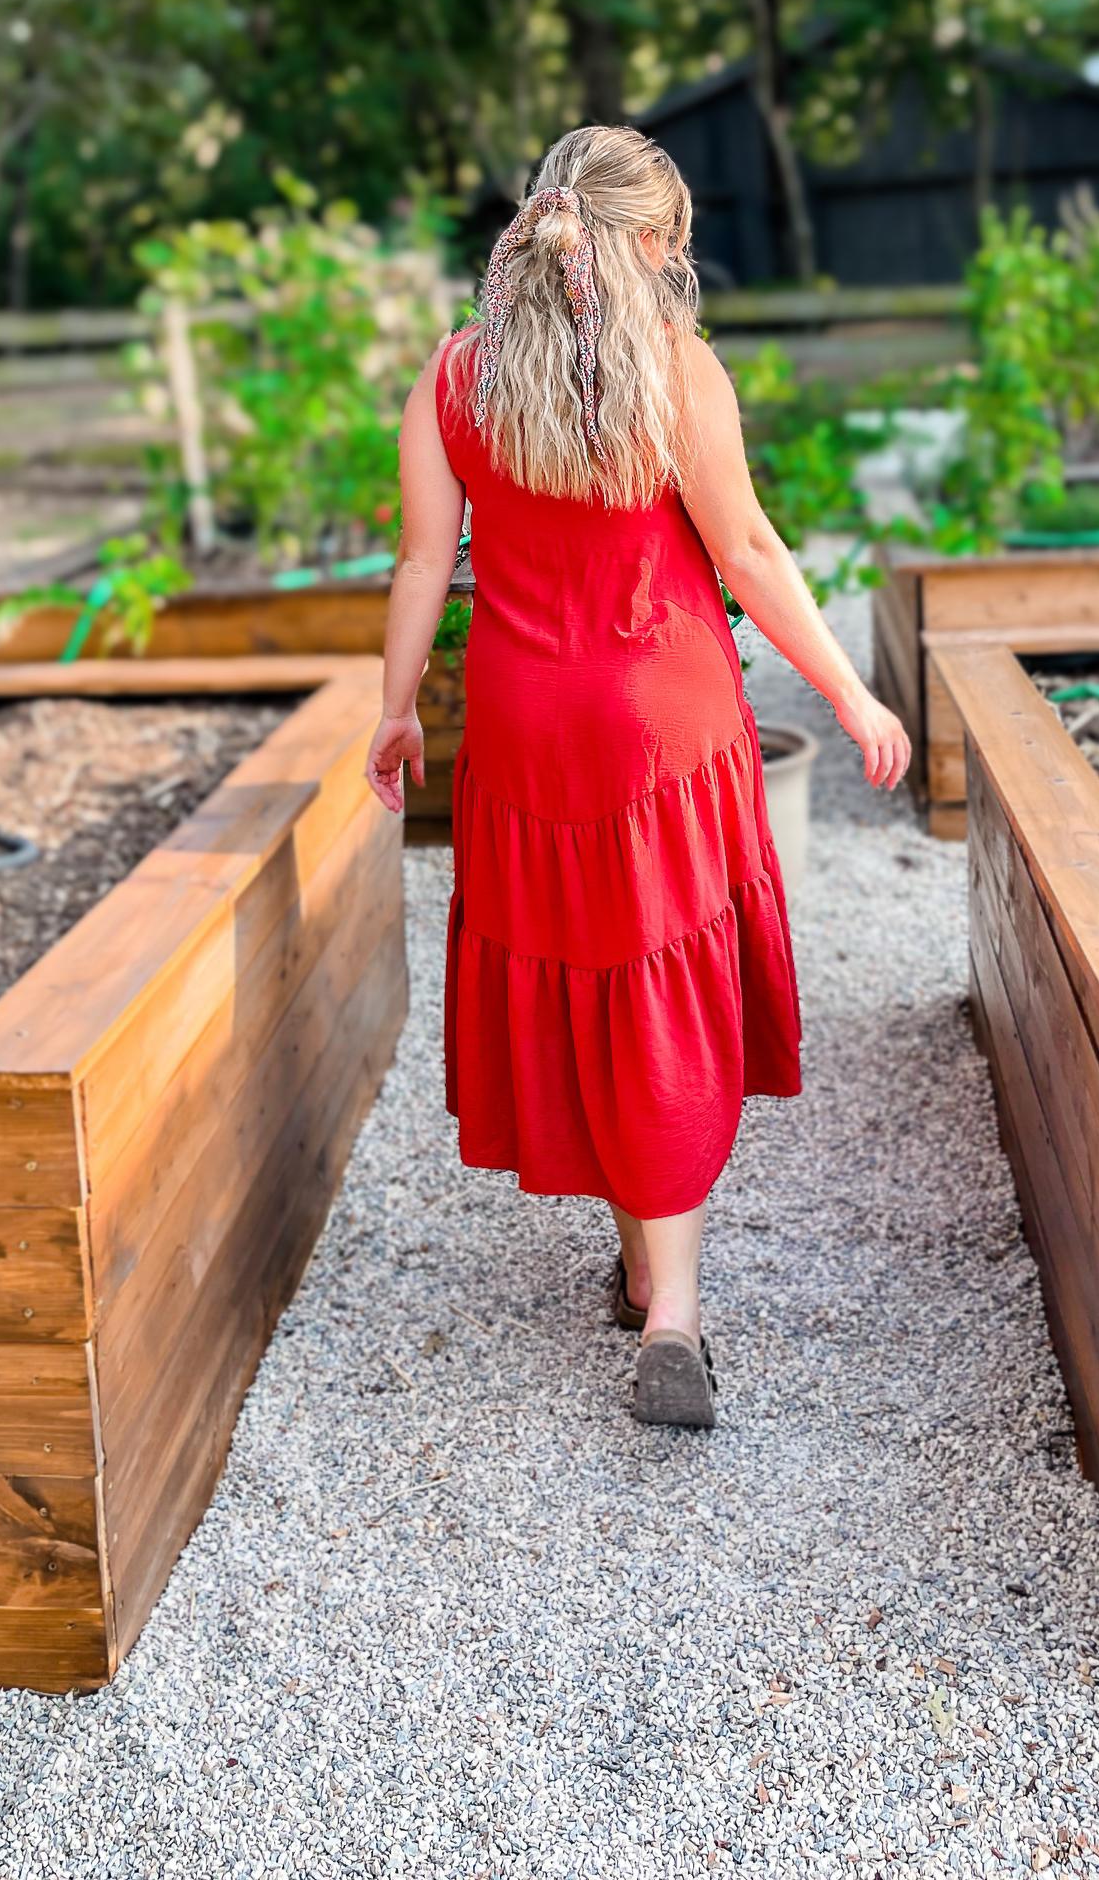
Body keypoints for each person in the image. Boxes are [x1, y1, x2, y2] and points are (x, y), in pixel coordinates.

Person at [365, 124, 910, 1426]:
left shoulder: (455, 379)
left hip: (524, 731)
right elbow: (754, 552)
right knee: (657, 983)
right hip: (662, 728)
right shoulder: (675, 369)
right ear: (653, 243)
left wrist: (395, 713)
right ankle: (673, 1313)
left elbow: (420, 567)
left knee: (593, 981)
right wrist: (848, 689)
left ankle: (638, 1264)